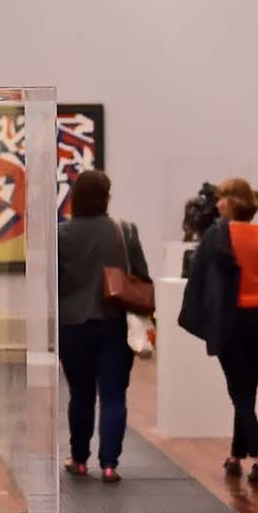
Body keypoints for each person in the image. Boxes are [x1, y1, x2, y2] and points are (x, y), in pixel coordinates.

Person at [178, 177, 258, 486]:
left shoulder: (216, 236)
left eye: (223, 198)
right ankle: (236, 456)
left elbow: (199, 277)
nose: (218, 202)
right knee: (246, 388)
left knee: (239, 392)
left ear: (234, 201)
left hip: (232, 319)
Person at [55, 169, 149, 482]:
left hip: (72, 325)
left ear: (74, 197)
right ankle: (110, 464)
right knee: (113, 395)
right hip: (114, 323)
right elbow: (142, 276)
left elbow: (51, 285)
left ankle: (79, 459)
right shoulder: (124, 231)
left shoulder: (60, 235)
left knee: (80, 394)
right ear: (106, 196)